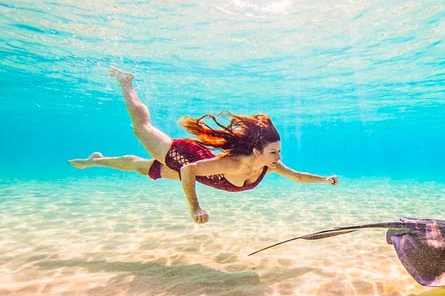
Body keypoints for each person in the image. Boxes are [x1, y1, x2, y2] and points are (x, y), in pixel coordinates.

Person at [70, 67, 338, 224]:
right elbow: (188, 170)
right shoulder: (233, 163)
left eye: (278, 150)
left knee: (140, 167)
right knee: (143, 130)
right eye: (273, 151)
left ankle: (94, 160)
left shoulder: (270, 165)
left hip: (201, 169)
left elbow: (298, 176)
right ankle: (126, 83)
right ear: (256, 151)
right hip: (182, 157)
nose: (279, 156)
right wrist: (195, 207)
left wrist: (325, 180)